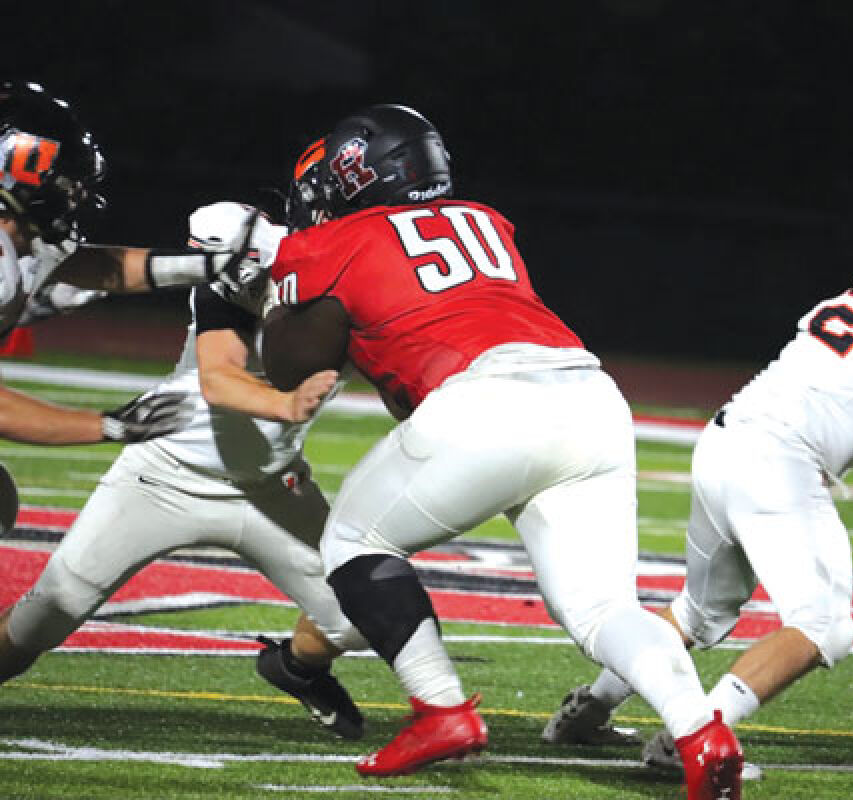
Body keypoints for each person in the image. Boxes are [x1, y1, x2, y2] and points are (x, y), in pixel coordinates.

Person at [260, 104, 744, 799]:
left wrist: (275, 283)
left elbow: (288, 366)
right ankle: (702, 732)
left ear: (355, 173)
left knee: (352, 540)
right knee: (605, 609)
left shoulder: (338, 239)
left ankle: (441, 711)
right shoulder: (487, 222)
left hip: (490, 399)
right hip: (589, 393)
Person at [541, 189, 853, 775]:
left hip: (728, 436)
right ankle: (698, 738)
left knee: (701, 612)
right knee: (823, 626)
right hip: (779, 459)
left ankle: (588, 709)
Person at [0, 201, 370, 739]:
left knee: (363, 610)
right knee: (46, 613)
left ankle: (297, 667)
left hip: (269, 486)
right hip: (164, 474)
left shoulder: (342, 284)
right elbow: (220, 379)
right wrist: (287, 404)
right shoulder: (233, 275)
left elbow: (98, 266)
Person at [0, 80, 263, 446]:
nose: (74, 193)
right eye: (67, 179)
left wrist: (205, 266)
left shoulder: (17, 243)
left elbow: (99, 267)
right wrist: (108, 426)